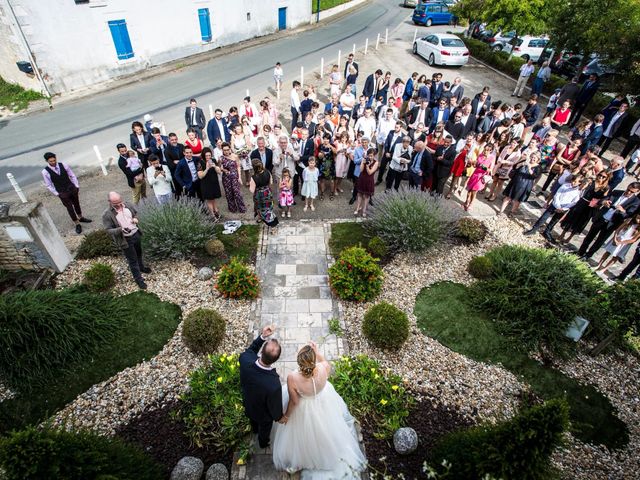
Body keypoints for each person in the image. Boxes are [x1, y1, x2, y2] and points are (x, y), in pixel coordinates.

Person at [272, 341, 366, 478]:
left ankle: (301, 460)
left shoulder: (293, 378)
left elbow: (294, 401)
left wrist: (286, 416)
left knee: (302, 436)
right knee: (324, 429)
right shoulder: (324, 368)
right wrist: (317, 353)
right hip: (323, 401)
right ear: (313, 360)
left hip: (303, 407)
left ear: (300, 363)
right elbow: (324, 362)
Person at [239, 324, 285, 450]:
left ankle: (254, 430)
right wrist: (279, 417)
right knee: (264, 429)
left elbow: (251, 350)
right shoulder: (273, 383)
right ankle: (263, 443)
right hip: (264, 416)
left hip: (248, 404)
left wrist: (262, 337)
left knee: (253, 420)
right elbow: (275, 406)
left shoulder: (245, 360)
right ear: (275, 359)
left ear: (262, 351)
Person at [577, 182, 640, 259]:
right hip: (602, 218)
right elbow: (602, 200)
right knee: (589, 236)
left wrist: (622, 211)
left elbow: (629, 215)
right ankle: (580, 252)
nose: (628, 192)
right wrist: (604, 202)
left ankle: (588, 255)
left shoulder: (635, 202)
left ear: (637, 191)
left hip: (612, 223)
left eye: (632, 192)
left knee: (599, 241)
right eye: (628, 189)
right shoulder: (617, 192)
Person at [102, 191, 150, 289]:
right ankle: (139, 280)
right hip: (125, 240)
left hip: (135, 233)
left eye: (120, 201)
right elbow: (108, 230)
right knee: (132, 260)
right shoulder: (107, 214)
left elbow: (135, 214)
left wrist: (135, 219)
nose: (119, 204)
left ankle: (141, 267)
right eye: (116, 203)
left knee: (139, 253)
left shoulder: (128, 205)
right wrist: (120, 229)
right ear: (109, 202)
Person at [41, 152, 91, 234]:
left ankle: (81, 217)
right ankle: (77, 223)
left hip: (71, 188)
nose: (53, 162)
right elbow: (49, 185)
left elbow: (72, 175)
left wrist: (76, 185)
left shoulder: (63, 165)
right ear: (47, 161)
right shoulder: (45, 172)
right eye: (51, 161)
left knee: (76, 204)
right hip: (62, 192)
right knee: (69, 208)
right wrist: (57, 194)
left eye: (54, 160)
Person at [524, 174, 583, 243]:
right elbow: (557, 194)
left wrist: (563, 208)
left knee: (554, 221)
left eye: (576, 182)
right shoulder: (565, 186)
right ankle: (534, 229)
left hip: (563, 209)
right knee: (544, 217)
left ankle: (547, 232)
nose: (573, 182)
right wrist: (558, 206)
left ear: (579, 183)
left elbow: (573, 202)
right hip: (555, 204)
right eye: (573, 180)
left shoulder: (577, 192)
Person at [559, 170, 611, 244]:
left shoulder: (606, 187)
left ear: (607, 178)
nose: (601, 177)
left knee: (581, 222)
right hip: (583, 201)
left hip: (591, 207)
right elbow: (582, 189)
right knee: (572, 218)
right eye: (600, 175)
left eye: (604, 177)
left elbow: (604, 198)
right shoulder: (591, 181)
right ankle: (562, 234)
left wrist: (601, 202)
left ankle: (569, 237)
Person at [464, 143, 495, 211]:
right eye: (485, 149)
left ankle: (471, 204)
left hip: (481, 177)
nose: (485, 151)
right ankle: (466, 201)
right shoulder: (481, 155)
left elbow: (490, 170)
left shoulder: (492, 158)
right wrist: (473, 163)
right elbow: (475, 165)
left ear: (491, 150)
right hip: (475, 174)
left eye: (487, 150)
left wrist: (484, 167)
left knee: (474, 191)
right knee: (469, 189)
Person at [250, 159, 279, 232]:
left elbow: (252, 190)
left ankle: (273, 226)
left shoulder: (253, 177)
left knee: (263, 210)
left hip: (260, 196)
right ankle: (261, 218)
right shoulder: (267, 172)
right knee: (269, 209)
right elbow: (271, 182)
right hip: (268, 193)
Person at [220, 143, 247, 214]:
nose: (226, 151)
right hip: (226, 178)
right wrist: (223, 170)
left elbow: (238, 166)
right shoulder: (221, 158)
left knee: (237, 193)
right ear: (222, 150)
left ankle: (242, 208)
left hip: (235, 177)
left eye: (227, 149)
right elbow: (219, 168)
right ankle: (232, 208)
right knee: (229, 194)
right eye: (224, 150)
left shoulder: (235, 156)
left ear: (230, 149)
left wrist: (240, 177)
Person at [198, 147, 222, 218]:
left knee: (214, 198)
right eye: (206, 156)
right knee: (209, 200)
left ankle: (216, 211)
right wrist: (207, 168)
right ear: (203, 155)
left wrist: (215, 167)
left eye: (209, 155)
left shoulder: (213, 160)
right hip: (206, 184)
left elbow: (219, 172)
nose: (208, 157)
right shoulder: (200, 163)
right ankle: (213, 215)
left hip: (214, 183)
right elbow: (200, 176)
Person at [354, 147, 378, 217]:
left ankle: (364, 209)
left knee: (366, 196)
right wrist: (363, 163)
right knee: (359, 194)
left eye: (371, 156)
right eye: (369, 155)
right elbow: (361, 170)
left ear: (374, 156)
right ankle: (358, 207)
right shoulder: (364, 160)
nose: (370, 157)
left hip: (369, 180)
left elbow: (370, 173)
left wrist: (367, 166)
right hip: (362, 179)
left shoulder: (376, 163)